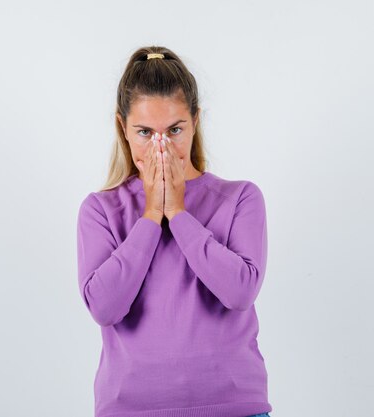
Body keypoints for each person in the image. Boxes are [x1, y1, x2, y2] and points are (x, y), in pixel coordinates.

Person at [76, 46, 272, 417]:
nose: (161, 146)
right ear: (123, 128)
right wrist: (151, 214)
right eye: (145, 132)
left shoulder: (240, 198)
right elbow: (104, 307)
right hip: (131, 408)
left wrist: (178, 213)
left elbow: (240, 292)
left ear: (196, 122)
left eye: (175, 130)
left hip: (233, 405)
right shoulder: (101, 210)